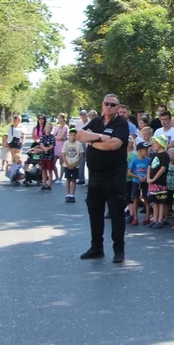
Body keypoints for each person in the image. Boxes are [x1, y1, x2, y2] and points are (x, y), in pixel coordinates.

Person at [77, 94, 131, 263]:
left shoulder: (121, 123)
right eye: (106, 103)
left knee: (116, 213)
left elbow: (114, 144)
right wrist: (100, 138)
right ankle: (96, 248)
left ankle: (119, 250)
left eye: (113, 105)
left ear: (117, 107)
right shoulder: (96, 122)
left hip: (114, 176)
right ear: (102, 105)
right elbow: (79, 135)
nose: (109, 107)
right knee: (95, 212)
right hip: (95, 176)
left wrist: (91, 141)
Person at [146, 135, 170, 229]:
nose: (154, 144)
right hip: (152, 182)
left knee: (160, 201)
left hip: (160, 182)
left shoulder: (165, 155)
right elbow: (149, 166)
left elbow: (163, 169)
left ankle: (160, 220)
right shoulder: (154, 155)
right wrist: (148, 178)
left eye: (156, 143)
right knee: (154, 201)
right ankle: (155, 219)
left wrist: (154, 179)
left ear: (161, 143)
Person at [128, 142, 151, 226]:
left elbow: (151, 171)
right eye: (146, 150)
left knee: (146, 199)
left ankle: (147, 218)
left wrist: (147, 177)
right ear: (140, 151)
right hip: (136, 182)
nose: (147, 151)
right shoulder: (135, 160)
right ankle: (135, 218)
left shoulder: (148, 160)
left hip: (145, 183)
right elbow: (129, 172)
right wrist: (137, 176)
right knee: (135, 199)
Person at [62, 128, 83, 203]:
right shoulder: (66, 143)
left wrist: (76, 164)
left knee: (74, 180)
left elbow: (80, 155)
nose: (73, 137)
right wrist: (67, 164)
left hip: (75, 165)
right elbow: (63, 154)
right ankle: (68, 194)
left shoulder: (79, 144)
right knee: (68, 179)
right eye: (71, 135)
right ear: (69, 136)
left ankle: (72, 195)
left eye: (74, 135)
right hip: (67, 164)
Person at [38, 122, 55, 191]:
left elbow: (52, 145)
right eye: (47, 128)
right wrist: (44, 148)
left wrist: (47, 149)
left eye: (50, 128)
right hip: (43, 156)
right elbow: (41, 144)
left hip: (50, 156)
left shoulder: (52, 137)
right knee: (44, 170)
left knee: (50, 170)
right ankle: (44, 184)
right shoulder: (42, 137)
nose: (48, 129)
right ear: (44, 129)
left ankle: (49, 184)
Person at [75, 110, 90, 184]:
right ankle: (81, 178)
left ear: (87, 115)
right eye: (81, 114)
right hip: (80, 143)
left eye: (84, 114)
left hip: (88, 143)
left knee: (89, 162)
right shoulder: (78, 123)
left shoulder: (90, 122)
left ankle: (90, 179)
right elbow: (76, 134)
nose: (83, 115)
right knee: (81, 161)